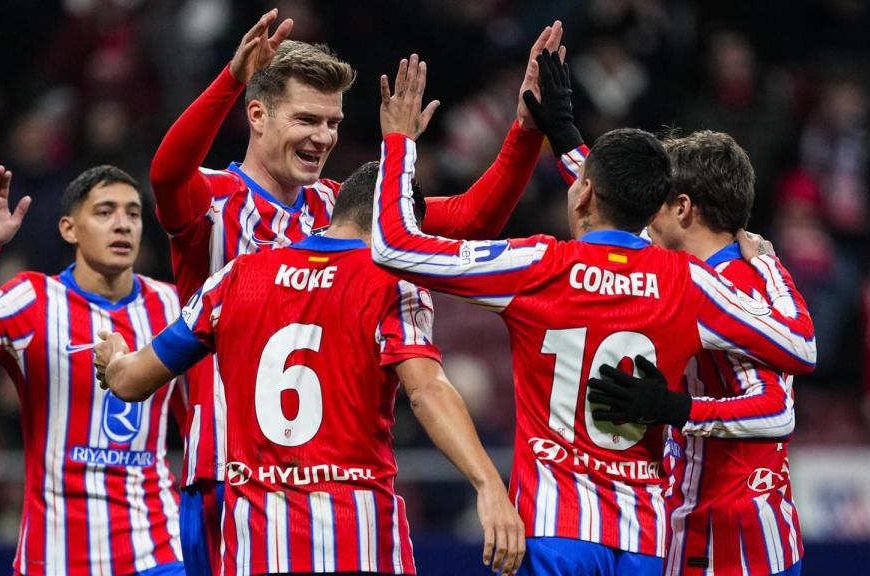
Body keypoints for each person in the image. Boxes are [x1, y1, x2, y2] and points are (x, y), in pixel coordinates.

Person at [149, 8, 564, 574]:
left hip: (335, 481)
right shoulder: (216, 201)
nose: (323, 137)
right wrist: (230, 77)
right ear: (258, 115)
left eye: (333, 122)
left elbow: (469, 221)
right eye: (307, 119)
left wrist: (524, 131)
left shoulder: (342, 207)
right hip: (230, 474)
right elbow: (167, 174)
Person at [369, 51, 816, 576]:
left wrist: (398, 144)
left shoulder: (540, 264)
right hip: (646, 533)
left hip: (585, 526)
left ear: (681, 208)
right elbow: (799, 346)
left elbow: (396, 246)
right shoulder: (692, 283)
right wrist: (562, 132)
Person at [94, 159, 526, 575]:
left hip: (256, 549)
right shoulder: (391, 283)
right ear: (399, 226)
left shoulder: (235, 276)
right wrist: (488, 484)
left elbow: (131, 380)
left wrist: (113, 360)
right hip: (360, 543)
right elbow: (425, 389)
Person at [0, 165, 185, 576]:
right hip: (55, 556)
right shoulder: (33, 300)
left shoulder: (174, 307)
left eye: (132, 214)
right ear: (69, 229)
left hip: (157, 550)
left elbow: (203, 417)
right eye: (104, 212)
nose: (122, 225)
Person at [586, 131, 806, 576]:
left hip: (728, 541)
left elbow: (777, 411)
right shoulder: (719, 272)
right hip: (736, 528)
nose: (646, 216)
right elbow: (615, 198)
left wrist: (672, 407)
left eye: (657, 204)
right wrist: (564, 135)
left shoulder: (726, 287)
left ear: (683, 209)